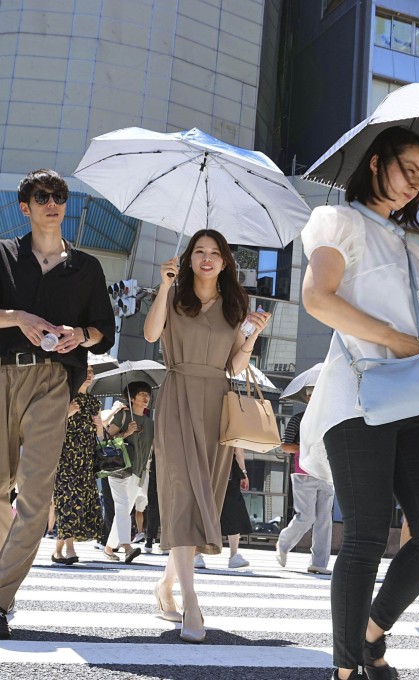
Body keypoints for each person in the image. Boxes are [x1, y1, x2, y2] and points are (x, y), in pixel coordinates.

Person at [299, 125, 419, 680]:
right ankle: (347, 669)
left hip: (411, 397)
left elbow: (413, 321)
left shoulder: (408, 243)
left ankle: (372, 633)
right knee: (368, 535)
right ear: (377, 163)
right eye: (407, 169)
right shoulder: (337, 220)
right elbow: (316, 298)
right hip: (355, 399)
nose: (414, 184)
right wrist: (396, 339)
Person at [0, 168, 114, 639]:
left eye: (60, 196)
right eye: (42, 196)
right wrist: (17, 316)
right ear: (25, 207)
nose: (53, 203)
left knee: (35, 494)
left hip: (54, 383)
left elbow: (102, 332)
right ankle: (2, 578)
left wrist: (78, 335)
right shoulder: (2, 255)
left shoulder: (87, 267)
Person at [144, 228, 270, 644]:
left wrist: (251, 334)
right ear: (189, 257)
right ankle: (191, 601)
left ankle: (165, 586)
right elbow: (150, 334)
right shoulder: (174, 293)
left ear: (226, 261)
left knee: (204, 501)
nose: (206, 258)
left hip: (216, 401)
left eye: (215, 252)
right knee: (181, 492)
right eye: (199, 251)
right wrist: (163, 287)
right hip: (178, 397)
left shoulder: (236, 304)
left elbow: (235, 366)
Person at [276, 388, 335, 576]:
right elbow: (285, 445)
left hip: (328, 473)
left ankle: (318, 563)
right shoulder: (298, 419)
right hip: (304, 472)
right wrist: (306, 447)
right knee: (306, 516)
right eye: (311, 393)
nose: (315, 396)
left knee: (325, 520)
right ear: (307, 397)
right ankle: (284, 543)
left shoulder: (332, 419)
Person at [51, 365, 105, 565]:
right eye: (86, 371)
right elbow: (48, 427)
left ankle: (58, 551)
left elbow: (98, 437)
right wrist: (66, 414)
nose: (90, 375)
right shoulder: (66, 397)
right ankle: (70, 548)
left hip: (86, 460)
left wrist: (100, 427)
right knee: (67, 501)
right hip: (65, 459)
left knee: (78, 502)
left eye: (92, 372)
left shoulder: (94, 402)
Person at [103, 381, 155, 563]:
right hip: (118, 468)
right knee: (123, 507)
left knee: (124, 509)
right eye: (141, 394)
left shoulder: (150, 423)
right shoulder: (123, 417)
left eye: (147, 394)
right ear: (132, 398)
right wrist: (126, 433)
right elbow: (106, 438)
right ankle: (127, 547)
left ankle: (109, 549)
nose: (145, 398)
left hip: (139, 471)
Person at [197, 447, 253, 569]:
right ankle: (233, 555)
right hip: (227, 468)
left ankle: (196, 554)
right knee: (233, 509)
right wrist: (243, 472)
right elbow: (238, 448)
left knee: (203, 508)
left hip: (207, 463)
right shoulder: (232, 427)